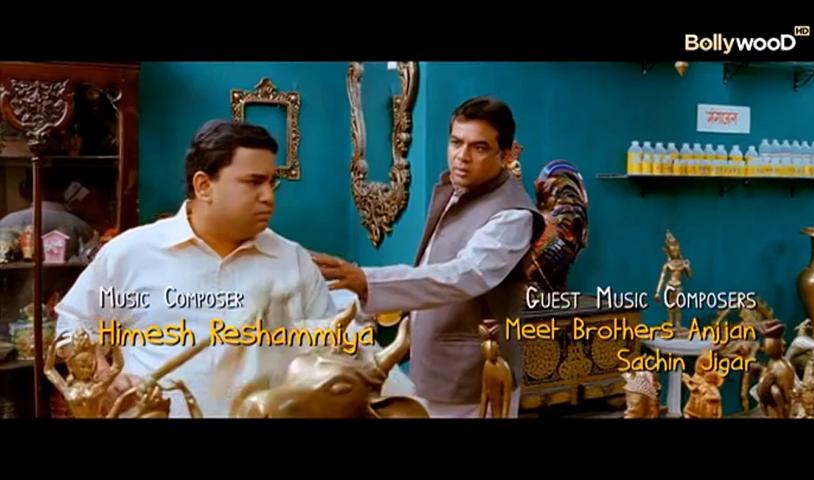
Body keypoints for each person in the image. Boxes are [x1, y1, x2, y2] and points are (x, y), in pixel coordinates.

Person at [55, 120, 337, 417]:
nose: (268, 196)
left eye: (271, 183)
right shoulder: (131, 252)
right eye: (253, 182)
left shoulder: (293, 261)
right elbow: (73, 325)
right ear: (203, 186)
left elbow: (332, 354)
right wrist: (103, 376)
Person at [314, 97, 545, 418]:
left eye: (479, 148)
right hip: (432, 369)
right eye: (456, 142)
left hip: (472, 379)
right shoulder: (454, 191)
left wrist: (369, 280)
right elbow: (430, 270)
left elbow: (466, 275)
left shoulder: (512, 215)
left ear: (505, 156)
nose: (462, 156)